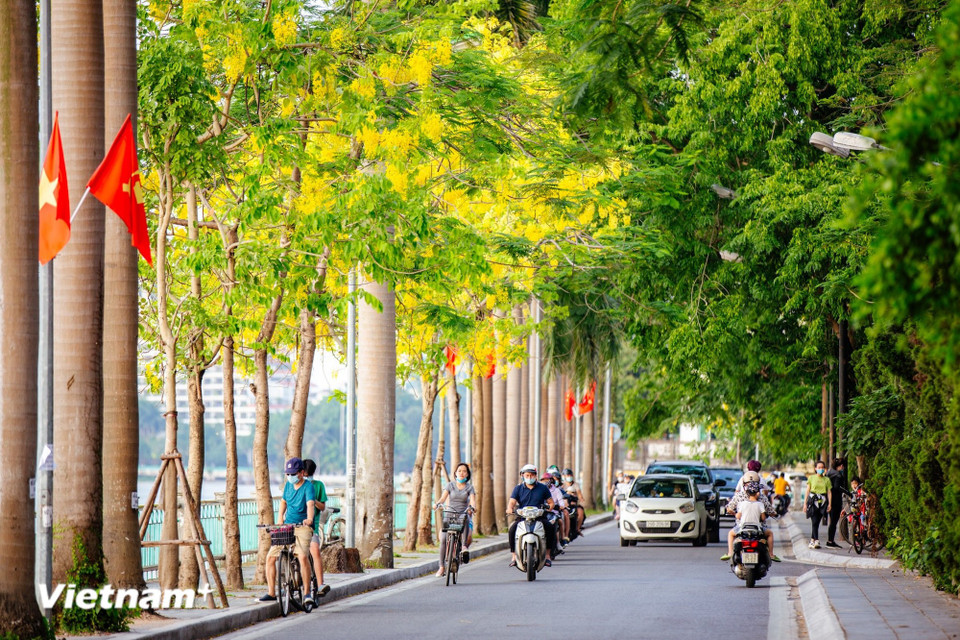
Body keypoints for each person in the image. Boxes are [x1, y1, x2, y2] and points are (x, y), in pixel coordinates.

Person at [261, 458, 316, 604]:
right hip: (287, 526)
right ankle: (272, 592)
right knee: (270, 557)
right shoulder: (287, 486)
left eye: (293, 473)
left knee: (302, 556)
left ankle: (307, 593)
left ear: (301, 473)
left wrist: (309, 519)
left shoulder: (308, 486)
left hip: (303, 526)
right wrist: (280, 519)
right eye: (288, 473)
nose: (290, 476)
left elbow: (310, 504)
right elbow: (283, 502)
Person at [722, 471, 780, 562]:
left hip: (741, 527)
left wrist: (733, 512)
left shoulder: (740, 498)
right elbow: (768, 513)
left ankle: (730, 553)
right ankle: (771, 554)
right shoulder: (761, 499)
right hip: (759, 528)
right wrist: (773, 513)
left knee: (731, 534)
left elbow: (732, 510)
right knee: (770, 534)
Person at [506, 464, 556, 568]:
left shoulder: (543, 488)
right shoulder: (518, 488)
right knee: (512, 529)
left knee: (550, 528)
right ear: (522, 476)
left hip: (539, 516)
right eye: (527, 475)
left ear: (536, 476)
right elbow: (511, 502)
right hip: (522, 517)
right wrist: (510, 508)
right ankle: (514, 556)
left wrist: (549, 508)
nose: (529, 477)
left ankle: (547, 556)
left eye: (532, 475)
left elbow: (551, 503)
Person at [433, 463, 477, 578]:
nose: (461, 473)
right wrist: (437, 504)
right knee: (443, 539)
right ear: (455, 473)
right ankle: (441, 566)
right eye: (459, 471)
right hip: (450, 514)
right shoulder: (450, 485)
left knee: (467, 517)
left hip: (462, 515)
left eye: (464, 471)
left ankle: (463, 546)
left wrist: (472, 507)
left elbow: (472, 500)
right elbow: (443, 498)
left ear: (467, 474)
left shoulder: (469, 487)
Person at [301, 459, 331, 598]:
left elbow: (323, 507)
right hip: (298, 523)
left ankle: (320, 584)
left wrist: (312, 500)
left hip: (313, 525)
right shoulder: (297, 485)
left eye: (308, 474)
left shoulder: (318, 486)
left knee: (315, 550)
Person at [805, 460, 832, 549]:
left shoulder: (827, 479)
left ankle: (812, 540)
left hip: (823, 503)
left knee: (817, 522)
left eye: (822, 468)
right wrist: (805, 503)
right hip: (813, 502)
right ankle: (816, 540)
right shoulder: (811, 478)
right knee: (814, 521)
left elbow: (829, 492)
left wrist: (829, 504)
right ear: (815, 469)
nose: (821, 469)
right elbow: (807, 490)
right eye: (819, 467)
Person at [542, 472, 568, 549]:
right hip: (542, 513)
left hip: (554, 513)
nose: (545, 481)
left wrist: (561, 506)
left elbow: (561, 501)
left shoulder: (556, 490)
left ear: (551, 480)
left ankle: (562, 540)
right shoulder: (540, 489)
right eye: (544, 480)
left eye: (547, 479)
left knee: (559, 521)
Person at [825, 458, 847, 548]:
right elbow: (838, 487)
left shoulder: (829, 472)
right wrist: (847, 492)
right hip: (835, 500)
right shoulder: (838, 475)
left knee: (832, 521)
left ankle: (830, 540)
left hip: (829, 499)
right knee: (833, 522)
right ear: (841, 466)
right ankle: (830, 541)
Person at [561, 468, 586, 536]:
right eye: (567, 475)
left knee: (580, 512)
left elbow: (579, 494)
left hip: (574, 504)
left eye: (570, 475)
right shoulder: (562, 485)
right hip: (565, 505)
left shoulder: (576, 485)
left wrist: (580, 499)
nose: (569, 477)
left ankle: (577, 528)